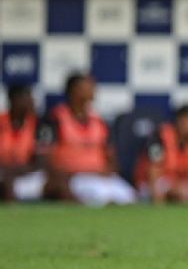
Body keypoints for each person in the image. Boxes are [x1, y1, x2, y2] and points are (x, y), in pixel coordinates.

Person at [39, 74, 137, 206]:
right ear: (72, 91)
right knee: (99, 196)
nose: (92, 90)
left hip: (99, 176)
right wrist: (59, 180)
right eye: (86, 87)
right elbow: (45, 157)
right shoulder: (55, 119)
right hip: (73, 177)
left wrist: (108, 172)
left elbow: (111, 156)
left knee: (128, 196)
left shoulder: (98, 120)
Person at [134, 105, 188, 204]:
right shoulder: (160, 137)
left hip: (176, 182)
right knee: (180, 190)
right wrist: (158, 202)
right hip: (150, 183)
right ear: (183, 121)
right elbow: (153, 171)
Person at [1, 83, 46, 202]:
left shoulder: (38, 125)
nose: (32, 102)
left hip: (26, 173)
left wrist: (18, 170)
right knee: (6, 182)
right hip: (3, 172)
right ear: (14, 100)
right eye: (28, 98)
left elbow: (40, 161)